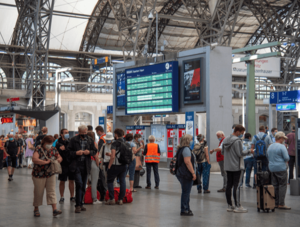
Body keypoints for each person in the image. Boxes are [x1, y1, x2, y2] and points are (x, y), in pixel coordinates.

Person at [222, 125, 254, 213]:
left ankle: (230, 205)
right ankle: (237, 206)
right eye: (242, 133)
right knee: (237, 186)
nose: (242, 135)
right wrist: (249, 151)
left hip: (228, 166)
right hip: (236, 166)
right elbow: (240, 153)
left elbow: (222, 152)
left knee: (229, 185)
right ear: (238, 131)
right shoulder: (237, 141)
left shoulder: (225, 139)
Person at [67, 125, 97, 213]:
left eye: (85, 133)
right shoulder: (73, 140)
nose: (84, 134)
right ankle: (77, 205)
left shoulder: (90, 140)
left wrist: (89, 152)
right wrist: (76, 153)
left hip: (86, 165)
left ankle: (81, 203)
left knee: (83, 185)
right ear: (78, 132)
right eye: (82, 133)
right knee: (79, 183)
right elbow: (68, 153)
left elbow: (94, 151)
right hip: (76, 165)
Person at [32, 135, 63, 217]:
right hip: (38, 174)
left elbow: (59, 157)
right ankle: (36, 209)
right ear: (44, 142)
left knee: (52, 191)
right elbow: (34, 159)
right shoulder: (38, 148)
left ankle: (54, 209)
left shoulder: (53, 149)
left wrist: (58, 160)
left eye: (51, 143)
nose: (50, 144)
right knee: (38, 192)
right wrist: (45, 162)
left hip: (50, 173)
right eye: (48, 143)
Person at [267, 131, 291, 210]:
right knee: (282, 185)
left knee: (275, 185)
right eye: (283, 138)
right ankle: (281, 204)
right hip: (281, 168)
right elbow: (286, 158)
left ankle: (276, 203)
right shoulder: (282, 147)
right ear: (280, 138)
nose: (284, 140)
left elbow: (267, 156)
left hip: (272, 168)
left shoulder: (270, 146)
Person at [175, 134, 197, 216]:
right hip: (185, 174)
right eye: (191, 139)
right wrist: (193, 173)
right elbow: (188, 162)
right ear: (188, 140)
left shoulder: (180, 149)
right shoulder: (186, 149)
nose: (192, 141)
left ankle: (187, 208)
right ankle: (184, 210)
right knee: (186, 192)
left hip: (181, 173)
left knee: (186, 192)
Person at [105, 128, 127, 205]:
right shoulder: (126, 143)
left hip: (115, 166)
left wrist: (109, 166)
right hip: (124, 166)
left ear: (116, 135)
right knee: (122, 182)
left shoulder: (114, 143)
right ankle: (120, 199)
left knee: (110, 181)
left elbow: (113, 156)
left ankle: (112, 199)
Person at [56, 129, 75, 204]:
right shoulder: (58, 143)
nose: (67, 134)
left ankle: (72, 196)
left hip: (71, 163)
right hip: (63, 164)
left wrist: (65, 149)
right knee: (62, 181)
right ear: (61, 134)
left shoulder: (70, 141)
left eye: (67, 132)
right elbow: (56, 152)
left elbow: (72, 151)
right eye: (65, 133)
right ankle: (62, 197)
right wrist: (61, 150)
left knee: (71, 180)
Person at [87, 131, 101, 205]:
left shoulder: (83, 144)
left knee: (84, 182)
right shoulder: (94, 144)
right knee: (94, 182)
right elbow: (96, 156)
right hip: (92, 163)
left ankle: (81, 198)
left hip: (84, 163)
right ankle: (94, 199)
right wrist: (98, 165)